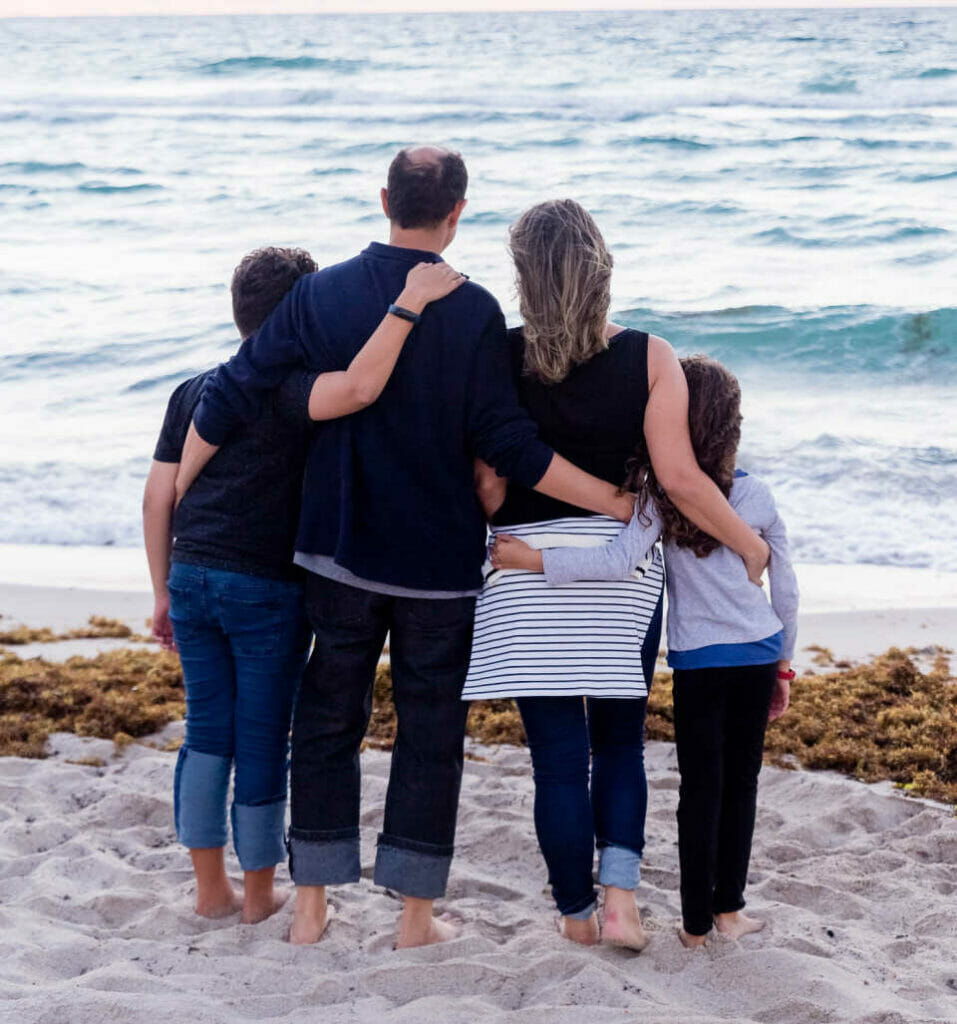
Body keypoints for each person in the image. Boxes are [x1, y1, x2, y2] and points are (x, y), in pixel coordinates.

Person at [176, 147, 637, 948]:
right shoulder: (474, 311)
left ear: (384, 197)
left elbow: (234, 389)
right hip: (436, 565)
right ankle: (415, 919)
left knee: (326, 723)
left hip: (337, 553)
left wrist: (181, 489)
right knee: (429, 735)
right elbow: (507, 443)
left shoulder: (318, 295)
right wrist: (613, 502)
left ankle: (312, 908)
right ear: (458, 211)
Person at [462, 200, 771, 951]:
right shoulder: (649, 356)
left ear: (523, 277)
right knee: (620, 745)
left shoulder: (498, 356)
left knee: (558, 761)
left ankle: (575, 915)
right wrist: (748, 547)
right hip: (618, 576)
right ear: (601, 267)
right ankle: (622, 901)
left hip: (524, 573)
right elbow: (680, 479)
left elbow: (488, 492)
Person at [143, 246, 465, 924]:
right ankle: (259, 896)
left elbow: (157, 498)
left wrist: (161, 593)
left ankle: (209, 891)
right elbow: (357, 388)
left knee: (207, 733)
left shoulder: (195, 388)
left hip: (192, 575)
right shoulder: (293, 391)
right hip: (264, 589)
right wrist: (408, 307)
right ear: (302, 313)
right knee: (260, 739)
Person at [490, 355, 798, 948]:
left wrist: (532, 559)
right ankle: (729, 909)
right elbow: (785, 588)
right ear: (733, 425)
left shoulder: (661, 499)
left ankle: (693, 927)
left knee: (700, 788)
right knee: (743, 784)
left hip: (698, 663)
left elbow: (614, 561)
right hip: (758, 654)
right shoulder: (756, 495)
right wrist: (784, 661)